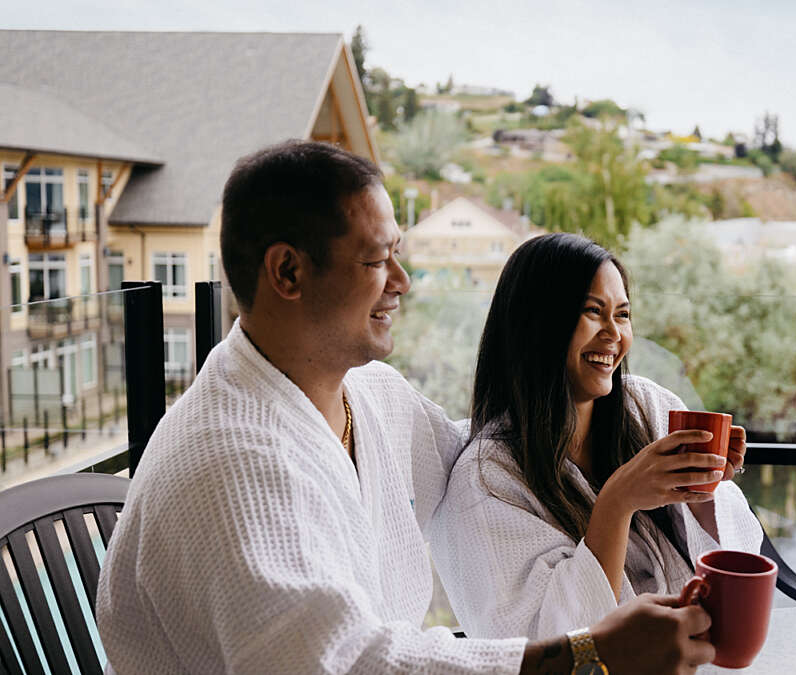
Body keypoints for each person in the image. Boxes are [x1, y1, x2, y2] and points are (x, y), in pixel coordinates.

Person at [95, 141, 715, 674]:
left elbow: (483, 458)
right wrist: (586, 655)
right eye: (375, 260)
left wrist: (612, 430)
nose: (402, 281)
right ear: (288, 271)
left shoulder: (369, 396)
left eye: (398, 253)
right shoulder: (235, 462)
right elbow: (343, 663)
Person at [430, 233, 763, 641]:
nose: (613, 333)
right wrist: (617, 504)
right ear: (538, 322)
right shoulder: (487, 478)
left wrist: (706, 489)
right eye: (593, 311)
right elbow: (547, 642)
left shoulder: (649, 406)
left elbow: (740, 553)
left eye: (622, 315)